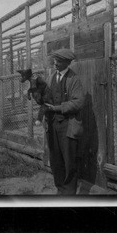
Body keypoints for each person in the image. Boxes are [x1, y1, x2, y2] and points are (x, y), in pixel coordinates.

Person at [43, 48, 85, 195]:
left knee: (69, 160)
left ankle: (69, 193)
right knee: (55, 159)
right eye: (55, 60)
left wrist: (58, 108)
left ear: (67, 63)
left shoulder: (74, 79)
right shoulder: (50, 77)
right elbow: (45, 97)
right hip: (53, 124)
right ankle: (60, 188)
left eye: (59, 61)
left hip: (68, 125)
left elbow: (78, 102)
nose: (55, 63)